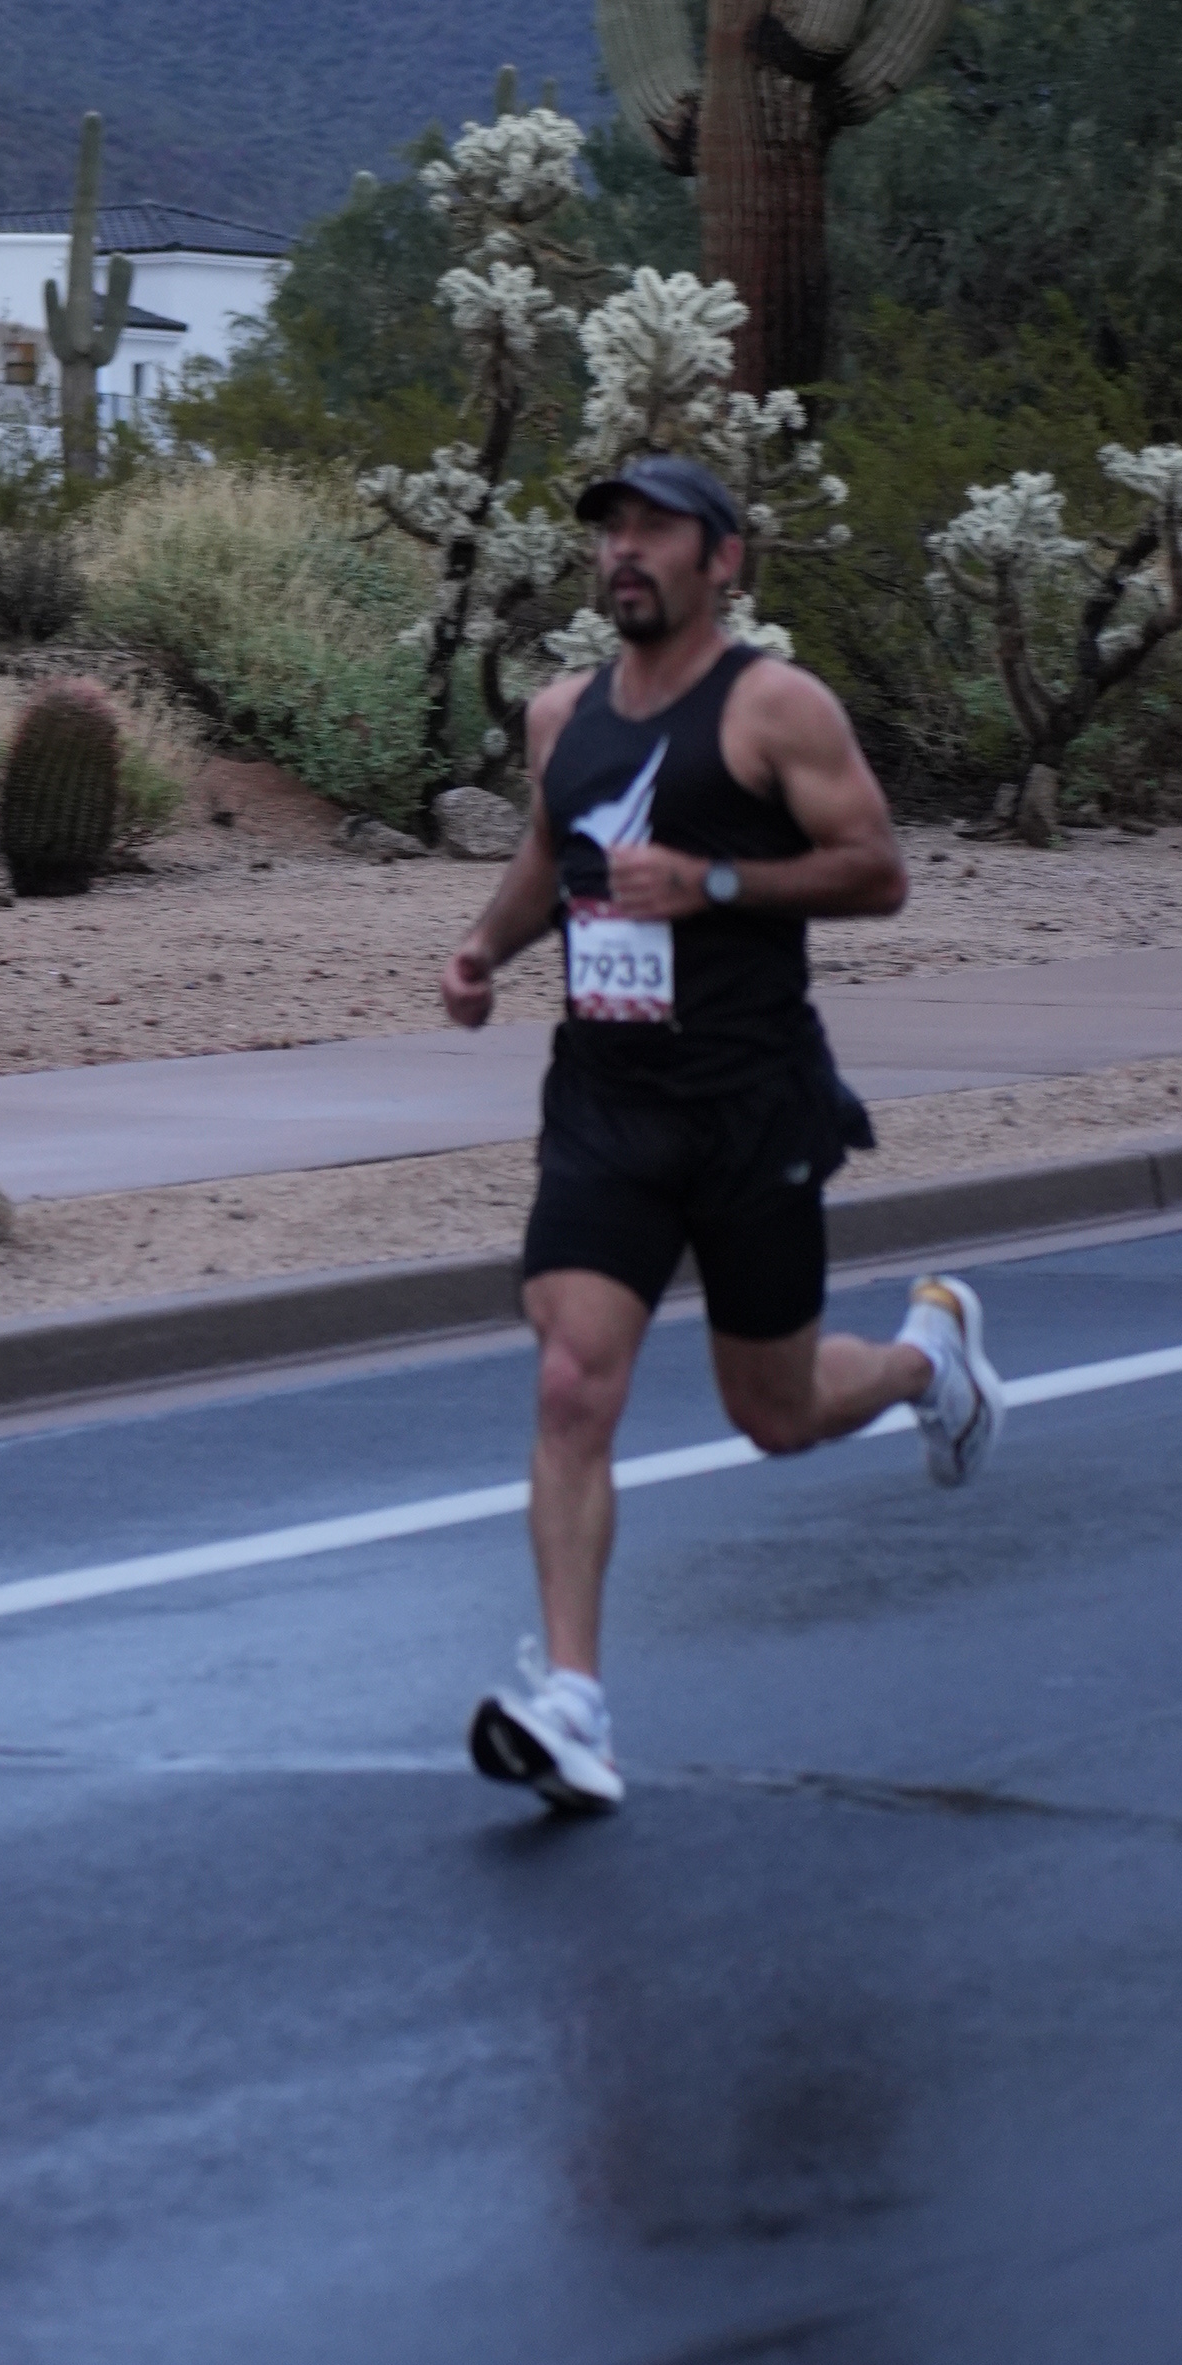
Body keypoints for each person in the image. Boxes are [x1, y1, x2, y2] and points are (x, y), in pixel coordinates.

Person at [441, 452, 1005, 1815]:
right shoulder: (562, 715)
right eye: (611, 530)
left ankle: (929, 1361)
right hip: (608, 1103)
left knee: (775, 1411)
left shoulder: (774, 708)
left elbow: (877, 871)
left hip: (751, 1104)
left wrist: (716, 881)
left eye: (656, 530)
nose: (625, 550)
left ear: (724, 559)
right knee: (573, 1381)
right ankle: (573, 1705)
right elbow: (551, 857)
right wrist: (483, 950)